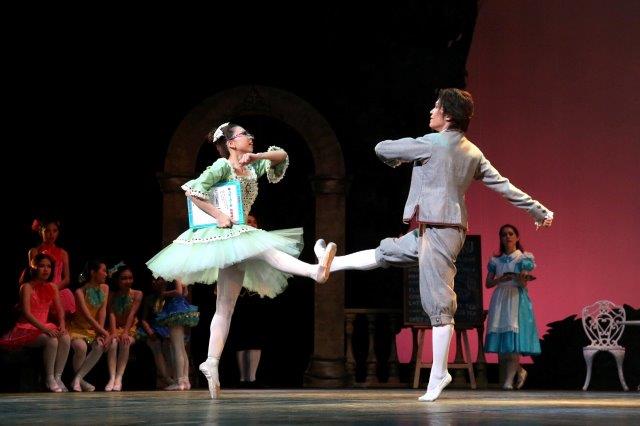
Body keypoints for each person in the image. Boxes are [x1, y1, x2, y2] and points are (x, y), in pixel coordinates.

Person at [313, 88, 553, 402]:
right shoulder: (472, 151)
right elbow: (504, 186)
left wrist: (402, 154)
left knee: (439, 305)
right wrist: (538, 209)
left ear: (448, 115)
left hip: (441, 229)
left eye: (436, 107)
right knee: (387, 251)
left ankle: (439, 373)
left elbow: (382, 148)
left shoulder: (431, 143)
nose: (431, 111)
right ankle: (331, 262)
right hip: (435, 229)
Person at [146, 122, 336, 399]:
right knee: (266, 250)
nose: (251, 136)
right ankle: (314, 271)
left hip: (239, 233)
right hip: (230, 233)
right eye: (245, 134)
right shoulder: (222, 166)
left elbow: (282, 156)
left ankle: (211, 362)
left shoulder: (251, 167)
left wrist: (256, 156)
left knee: (225, 307)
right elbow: (194, 192)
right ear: (232, 143)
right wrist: (218, 215)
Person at [0, 253, 71, 392]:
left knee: (66, 337)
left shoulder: (52, 286)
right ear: (34, 268)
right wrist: (45, 329)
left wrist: (62, 324)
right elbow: (27, 313)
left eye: (49, 266)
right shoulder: (26, 287)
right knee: (51, 340)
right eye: (42, 266)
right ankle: (49, 378)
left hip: (44, 326)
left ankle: (58, 377)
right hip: (27, 327)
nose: (46, 269)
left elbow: (60, 310)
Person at [485, 224, 540, 390]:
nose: (507, 237)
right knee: (503, 344)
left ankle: (508, 381)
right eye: (504, 234)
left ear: (517, 237)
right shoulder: (495, 260)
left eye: (510, 234)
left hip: (516, 299)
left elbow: (523, 283)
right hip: (500, 299)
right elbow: (488, 283)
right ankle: (520, 371)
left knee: (513, 342)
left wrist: (521, 278)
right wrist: (500, 280)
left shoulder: (523, 258)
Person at [67, 260, 112, 391]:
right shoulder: (80, 292)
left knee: (100, 345)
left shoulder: (105, 288)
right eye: (103, 271)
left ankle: (77, 379)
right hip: (77, 328)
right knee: (81, 347)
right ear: (93, 272)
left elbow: (102, 311)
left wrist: (100, 332)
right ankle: (80, 382)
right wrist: (104, 332)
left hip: (93, 329)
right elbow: (87, 316)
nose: (106, 274)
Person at [24, 218, 75, 317]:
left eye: (55, 231)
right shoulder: (34, 251)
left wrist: (53, 289)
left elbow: (67, 278)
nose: (51, 234)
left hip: (58, 289)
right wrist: (44, 290)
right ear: (41, 232)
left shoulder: (63, 253)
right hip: (39, 290)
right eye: (47, 231)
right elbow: (32, 275)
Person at [155, 277, 199, 391]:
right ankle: (185, 381)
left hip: (174, 309)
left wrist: (164, 293)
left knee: (177, 347)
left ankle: (179, 381)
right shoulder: (181, 276)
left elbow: (179, 292)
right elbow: (185, 292)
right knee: (181, 347)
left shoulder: (175, 275)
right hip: (179, 307)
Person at [105, 263, 142, 391]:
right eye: (124, 278)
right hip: (115, 327)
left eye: (130, 278)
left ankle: (119, 377)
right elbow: (111, 313)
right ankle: (112, 377)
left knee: (125, 342)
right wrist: (113, 332)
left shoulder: (137, 294)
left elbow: (132, 314)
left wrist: (126, 332)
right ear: (117, 280)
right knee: (113, 342)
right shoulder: (112, 295)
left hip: (130, 328)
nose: (128, 281)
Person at [137, 275, 173, 388]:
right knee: (155, 345)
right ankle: (167, 379)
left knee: (169, 346)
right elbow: (143, 319)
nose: (154, 282)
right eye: (153, 280)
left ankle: (172, 377)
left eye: (157, 279)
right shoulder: (149, 298)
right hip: (153, 328)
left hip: (167, 328)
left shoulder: (170, 297)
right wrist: (149, 331)